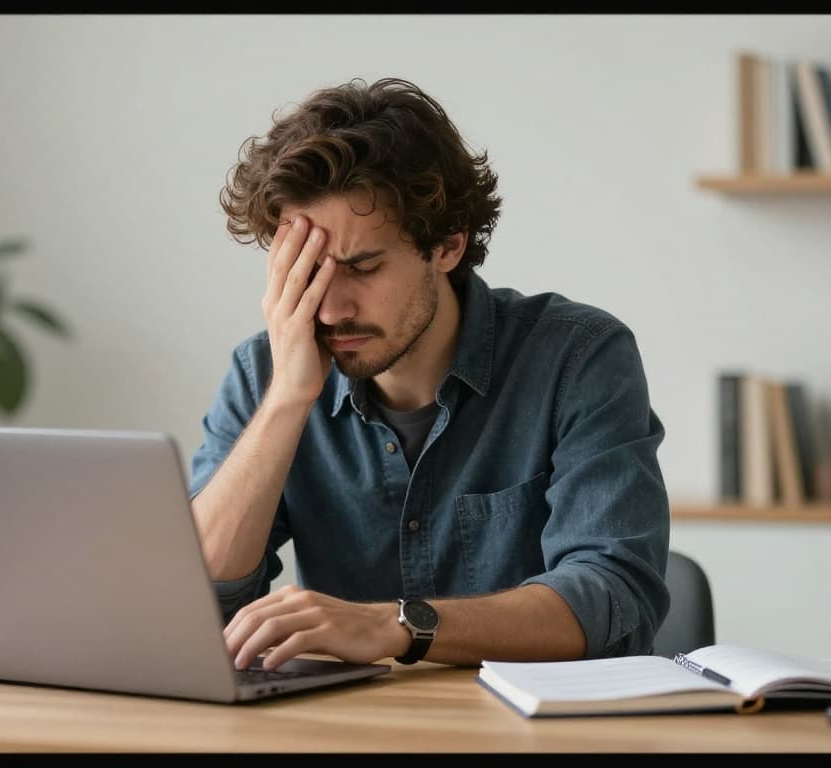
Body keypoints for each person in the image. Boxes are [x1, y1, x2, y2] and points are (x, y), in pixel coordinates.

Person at [190, 77, 669, 672]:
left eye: (362, 267)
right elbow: (196, 602)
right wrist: (289, 398)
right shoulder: (263, 372)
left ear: (446, 246)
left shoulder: (579, 357)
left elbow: (613, 599)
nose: (331, 308)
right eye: (308, 272)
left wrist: (395, 626)